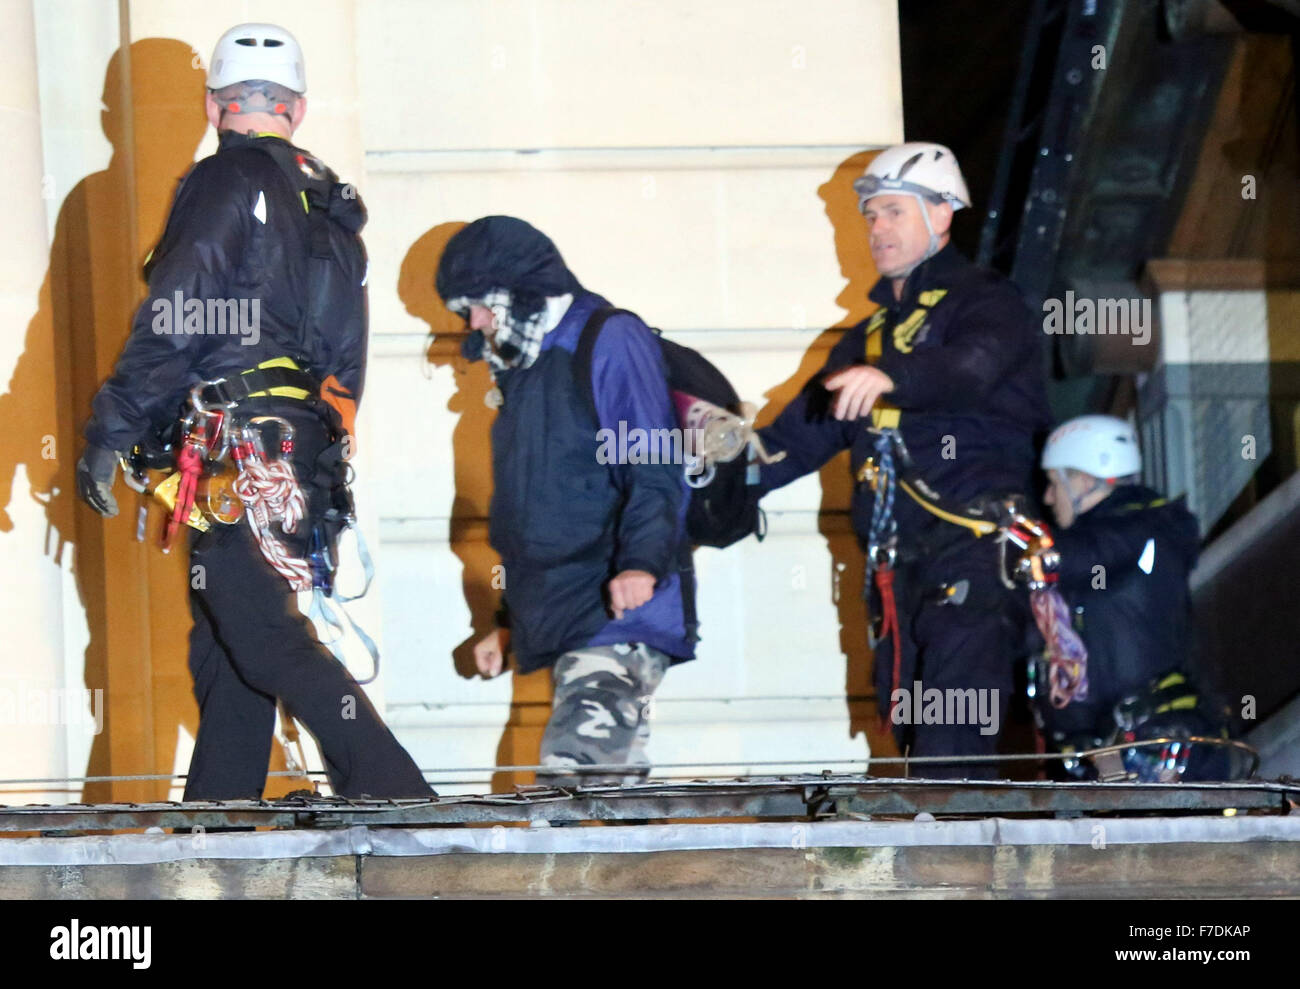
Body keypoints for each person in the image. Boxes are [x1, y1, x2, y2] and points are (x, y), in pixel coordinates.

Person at [76, 23, 432, 800]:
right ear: (296, 110)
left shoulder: (222, 181)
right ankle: (218, 811)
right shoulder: (334, 212)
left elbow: (178, 313)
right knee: (228, 640)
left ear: (213, 106)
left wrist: (113, 425)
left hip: (233, 444)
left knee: (263, 634)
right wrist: (318, 453)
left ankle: (400, 796)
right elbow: (344, 364)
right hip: (294, 449)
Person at [756, 142, 1053, 776]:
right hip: (901, 568)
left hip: (973, 550)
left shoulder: (988, 302)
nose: (877, 228)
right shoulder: (863, 340)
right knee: (918, 734)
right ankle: (940, 853)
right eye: (871, 216)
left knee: (952, 734)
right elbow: (795, 441)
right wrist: (708, 480)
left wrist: (888, 377)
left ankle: (955, 860)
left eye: (893, 211)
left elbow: (971, 368)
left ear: (942, 215)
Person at [436, 216, 697, 786]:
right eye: (467, 309)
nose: (475, 322)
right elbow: (535, 514)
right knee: (617, 796)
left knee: (570, 785)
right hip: (567, 611)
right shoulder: (523, 368)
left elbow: (654, 464)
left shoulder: (609, 339)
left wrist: (640, 563)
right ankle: (667, 873)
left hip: (617, 610)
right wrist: (508, 622)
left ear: (525, 293)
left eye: (482, 304)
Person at [1025, 414, 1217, 778]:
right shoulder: (1110, 546)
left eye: (1053, 483)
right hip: (1098, 756)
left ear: (1082, 480)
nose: (1048, 497)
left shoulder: (1145, 529)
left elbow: (1088, 554)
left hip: (1148, 749)